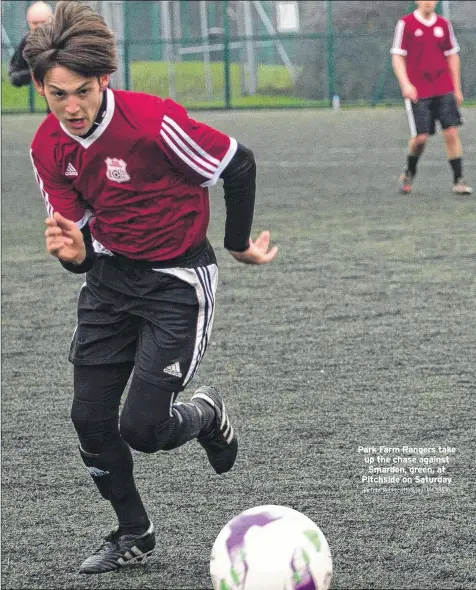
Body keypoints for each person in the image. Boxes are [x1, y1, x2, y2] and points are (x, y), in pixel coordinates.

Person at [24, 0, 278, 575]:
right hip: (110, 281)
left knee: (143, 429)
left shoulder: (153, 121)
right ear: (40, 86)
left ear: (105, 80)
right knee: (89, 420)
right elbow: (80, 245)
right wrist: (73, 257)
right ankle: (133, 533)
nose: (71, 106)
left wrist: (238, 245)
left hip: (176, 281)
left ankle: (207, 414)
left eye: (82, 91)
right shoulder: (47, 147)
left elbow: (237, 164)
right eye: (57, 93)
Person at [391, 0, 472, 195]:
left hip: (443, 87)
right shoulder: (406, 24)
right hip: (418, 91)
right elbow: (397, 56)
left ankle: (458, 180)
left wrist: (456, 88)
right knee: (420, 139)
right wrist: (406, 84)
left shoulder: (444, 25)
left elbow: (452, 55)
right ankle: (409, 172)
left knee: (451, 132)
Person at [8, 1, 53, 87]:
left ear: (52, 20)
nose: (39, 27)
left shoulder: (64, 39)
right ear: (28, 22)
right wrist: (34, 74)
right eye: (35, 23)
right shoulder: (26, 42)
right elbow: (14, 74)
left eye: (43, 22)